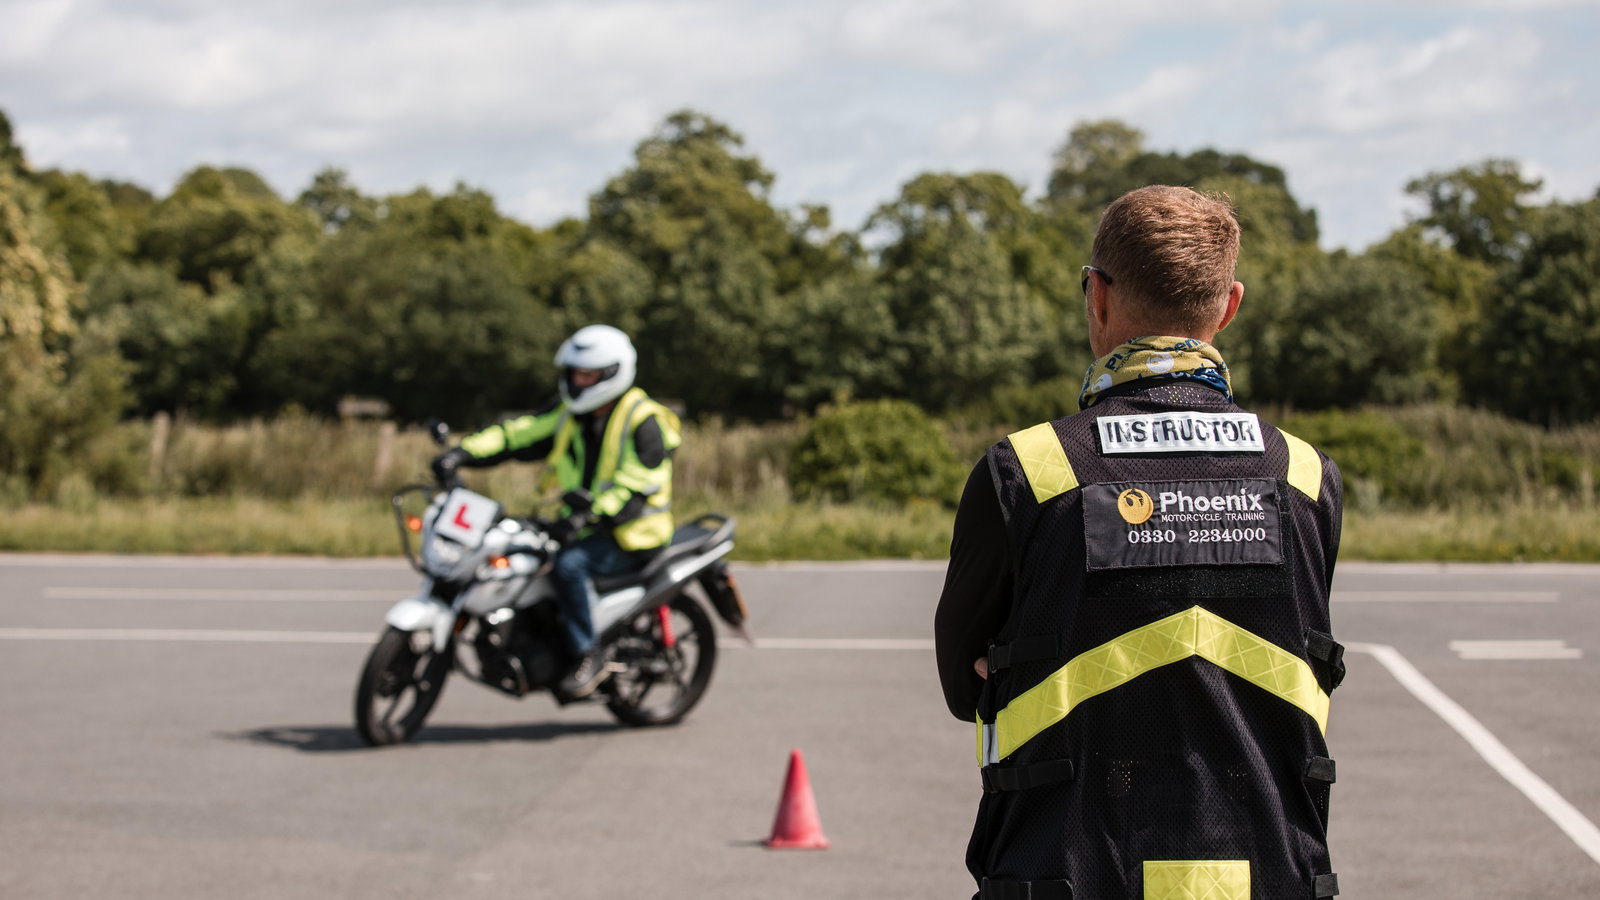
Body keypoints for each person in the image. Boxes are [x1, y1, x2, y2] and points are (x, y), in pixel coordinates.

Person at [935, 186, 1344, 900]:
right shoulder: (1304, 476)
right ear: (1229, 306)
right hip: (1272, 877)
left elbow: (962, 683)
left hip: (1063, 875)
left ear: (1096, 296)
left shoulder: (1026, 470)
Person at [432, 324, 681, 698]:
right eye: (574, 373)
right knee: (525, 555)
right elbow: (516, 435)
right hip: (584, 524)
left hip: (633, 533)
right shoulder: (570, 413)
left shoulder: (644, 421)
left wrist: (590, 514)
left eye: (587, 376)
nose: (577, 382)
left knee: (568, 567)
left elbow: (634, 488)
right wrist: (460, 454)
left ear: (611, 373)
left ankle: (588, 652)